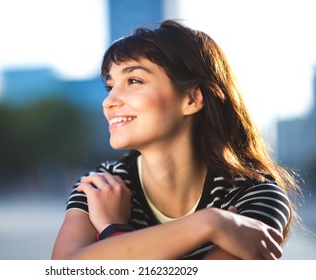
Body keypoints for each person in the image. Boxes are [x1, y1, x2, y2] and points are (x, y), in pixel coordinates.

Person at [51, 19, 301, 260]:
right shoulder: (102, 186)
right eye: (110, 86)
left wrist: (113, 231)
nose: (109, 102)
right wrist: (208, 223)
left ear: (191, 99)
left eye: (134, 80)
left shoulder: (253, 193)